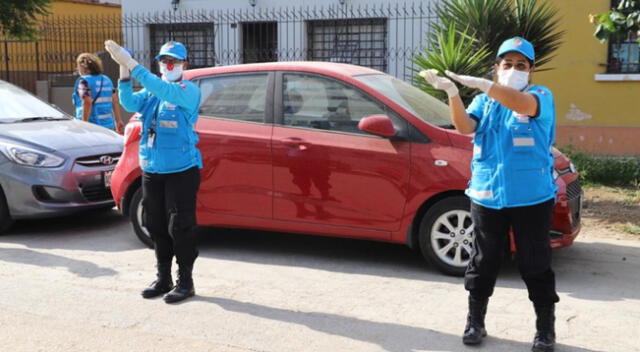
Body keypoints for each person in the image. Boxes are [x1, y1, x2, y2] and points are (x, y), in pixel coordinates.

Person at [420, 37, 558, 352]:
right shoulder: (485, 102)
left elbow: (523, 106)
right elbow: (464, 126)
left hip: (532, 198)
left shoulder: (540, 95)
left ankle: (545, 330)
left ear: (531, 71)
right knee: (483, 260)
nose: (513, 70)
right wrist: (453, 94)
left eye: (521, 65)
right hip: (486, 195)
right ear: (496, 67)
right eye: (506, 64)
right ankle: (475, 322)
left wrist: (485, 84)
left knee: (535, 262)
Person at [104, 40, 202, 304]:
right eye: (164, 61)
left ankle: (185, 282)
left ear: (184, 65)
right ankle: (163, 278)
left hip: (182, 169)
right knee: (155, 224)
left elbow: (160, 88)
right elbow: (127, 101)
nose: (169, 65)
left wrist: (132, 64)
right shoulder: (152, 93)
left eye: (174, 61)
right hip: (152, 169)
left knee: (180, 226)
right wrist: (124, 71)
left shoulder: (186, 91)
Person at [72, 53, 124, 133]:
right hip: (108, 126)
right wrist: (118, 121)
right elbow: (115, 100)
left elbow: (87, 102)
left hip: (92, 127)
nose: (77, 69)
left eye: (78, 66)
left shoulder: (83, 81)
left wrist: (84, 124)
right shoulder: (107, 80)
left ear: (83, 67)